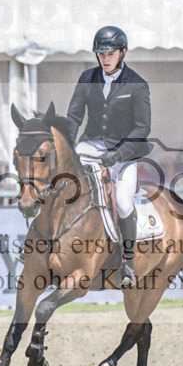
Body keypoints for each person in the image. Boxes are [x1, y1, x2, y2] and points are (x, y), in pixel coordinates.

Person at [67, 26, 152, 289]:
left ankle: (127, 262)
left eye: (110, 53)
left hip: (123, 152)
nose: (105, 58)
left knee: (124, 202)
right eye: (101, 54)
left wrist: (119, 154)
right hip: (89, 147)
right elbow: (73, 118)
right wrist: (67, 147)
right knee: (61, 184)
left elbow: (142, 128)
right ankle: (42, 244)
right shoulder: (86, 78)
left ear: (122, 52)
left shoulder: (137, 85)